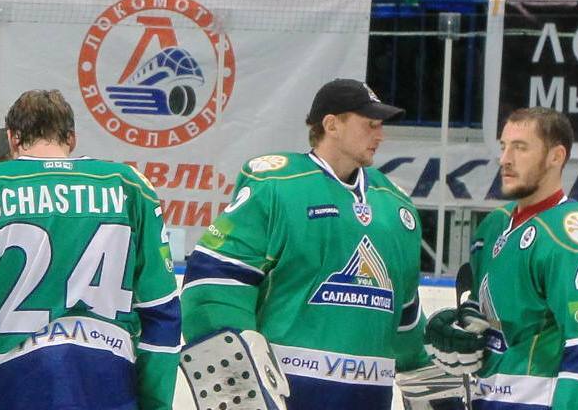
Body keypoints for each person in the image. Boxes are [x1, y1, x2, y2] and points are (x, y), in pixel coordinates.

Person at [0, 88, 180, 410]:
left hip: (5, 389)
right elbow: (161, 312)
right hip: (108, 387)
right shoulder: (130, 186)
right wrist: (154, 404)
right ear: (72, 138)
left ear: (12, 138)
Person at [182, 78, 435, 409]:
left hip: (370, 396)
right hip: (288, 392)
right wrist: (240, 382)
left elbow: (405, 316)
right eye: (370, 124)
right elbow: (214, 285)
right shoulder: (278, 186)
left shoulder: (396, 206)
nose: (380, 135)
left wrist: (431, 368)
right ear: (331, 125)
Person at [424, 107, 578, 409]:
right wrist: (463, 329)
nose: (505, 159)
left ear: (556, 157)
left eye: (520, 148)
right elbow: (503, 321)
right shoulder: (493, 228)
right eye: (503, 146)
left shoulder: (573, 234)